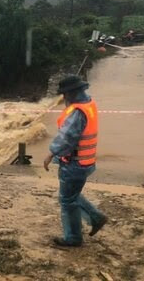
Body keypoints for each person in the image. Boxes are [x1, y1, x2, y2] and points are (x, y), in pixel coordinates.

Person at [43, 75, 108, 247]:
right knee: (72, 196)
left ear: (70, 94)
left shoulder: (77, 112)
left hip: (74, 164)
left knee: (67, 200)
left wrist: (51, 153)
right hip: (86, 162)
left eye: (64, 94)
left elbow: (67, 138)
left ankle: (73, 237)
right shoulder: (89, 105)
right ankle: (96, 217)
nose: (63, 98)